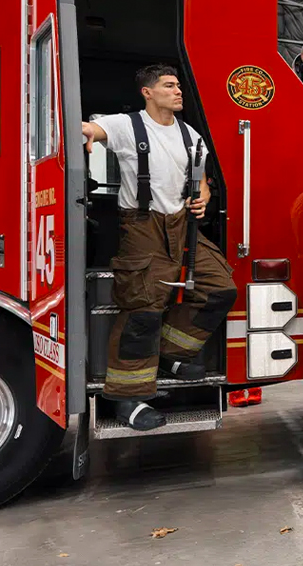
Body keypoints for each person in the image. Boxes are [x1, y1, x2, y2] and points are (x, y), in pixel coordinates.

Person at [81, 65, 237, 431]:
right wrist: (82, 132)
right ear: (148, 93)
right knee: (142, 309)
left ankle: (170, 353)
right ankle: (127, 398)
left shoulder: (191, 135)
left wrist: (203, 196)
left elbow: (200, 182)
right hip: (142, 225)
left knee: (220, 289)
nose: (178, 90)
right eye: (169, 85)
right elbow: (92, 129)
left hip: (183, 226)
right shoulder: (126, 125)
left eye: (178, 85)